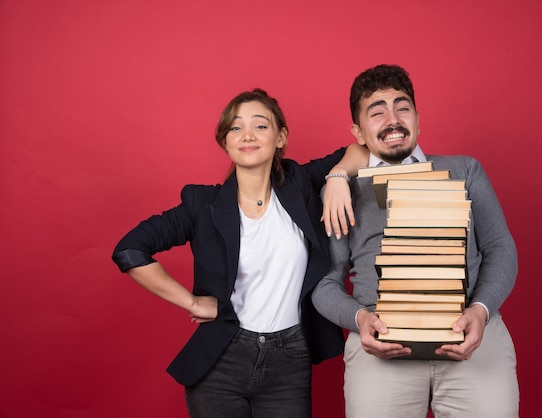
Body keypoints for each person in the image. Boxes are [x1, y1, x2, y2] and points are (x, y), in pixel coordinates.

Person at [112, 88, 366, 418]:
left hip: (290, 359)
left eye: (260, 125)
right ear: (226, 141)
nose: (247, 135)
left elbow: (361, 150)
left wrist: (335, 177)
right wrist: (190, 302)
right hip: (223, 361)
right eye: (235, 127)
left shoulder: (301, 185)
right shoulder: (202, 206)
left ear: (280, 137)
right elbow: (129, 249)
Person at [312, 64, 519, 417]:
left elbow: (500, 249)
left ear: (418, 120)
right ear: (358, 132)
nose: (393, 120)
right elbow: (325, 281)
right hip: (380, 342)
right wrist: (360, 318)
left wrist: (480, 312)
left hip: (472, 336)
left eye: (402, 107)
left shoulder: (465, 170)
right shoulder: (341, 192)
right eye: (377, 113)